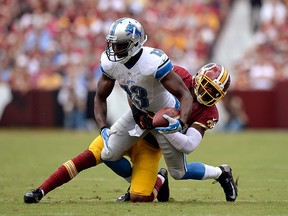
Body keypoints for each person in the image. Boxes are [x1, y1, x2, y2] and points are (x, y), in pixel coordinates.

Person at [115, 63, 238, 202]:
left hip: (173, 134)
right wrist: (138, 113)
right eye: (207, 84)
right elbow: (140, 85)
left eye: (214, 91)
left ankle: (221, 173)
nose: (207, 91)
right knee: (112, 151)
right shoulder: (179, 75)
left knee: (179, 173)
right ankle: (145, 184)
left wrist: (167, 128)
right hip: (145, 122)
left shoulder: (209, 112)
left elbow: (190, 145)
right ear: (198, 76)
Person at [94, 17, 192, 185]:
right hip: (138, 113)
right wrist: (103, 127)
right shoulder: (110, 63)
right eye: (113, 44)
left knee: (179, 172)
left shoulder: (152, 61)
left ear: (135, 43)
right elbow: (100, 96)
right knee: (107, 154)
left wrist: (181, 121)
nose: (115, 49)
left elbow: (185, 94)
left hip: (164, 116)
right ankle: (155, 184)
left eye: (121, 45)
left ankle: (220, 173)